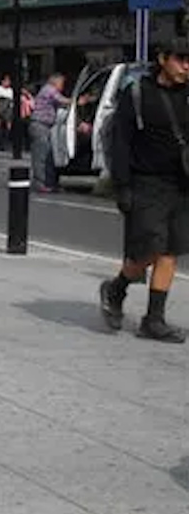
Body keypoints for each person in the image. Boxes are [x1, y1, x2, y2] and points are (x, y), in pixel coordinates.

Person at [100, 39, 189, 342]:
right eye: (181, 59)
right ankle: (117, 287)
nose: (186, 66)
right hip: (146, 182)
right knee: (149, 248)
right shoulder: (137, 93)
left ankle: (154, 320)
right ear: (163, 59)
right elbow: (120, 143)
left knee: (170, 250)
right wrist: (122, 186)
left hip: (181, 183)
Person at [29, 73, 71, 192]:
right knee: (40, 155)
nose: (62, 87)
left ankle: (48, 181)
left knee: (47, 155)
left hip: (45, 126)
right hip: (40, 125)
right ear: (55, 82)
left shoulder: (48, 90)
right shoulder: (49, 90)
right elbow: (62, 100)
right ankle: (39, 183)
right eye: (62, 84)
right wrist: (76, 101)